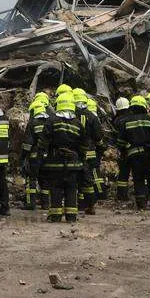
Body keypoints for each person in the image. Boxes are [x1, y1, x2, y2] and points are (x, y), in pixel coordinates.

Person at [39, 89, 85, 222]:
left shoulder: (52, 121)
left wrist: (42, 155)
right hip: (73, 163)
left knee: (56, 188)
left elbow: (43, 141)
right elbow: (84, 144)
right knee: (71, 188)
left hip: (54, 163)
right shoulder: (78, 123)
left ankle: (56, 216)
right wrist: (79, 156)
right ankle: (71, 216)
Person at [117, 95, 150, 210]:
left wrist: (124, 149)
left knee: (138, 178)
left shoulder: (126, 121)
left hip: (134, 155)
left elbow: (120, 141)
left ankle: (142, 204)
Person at [21, 93, 52, 209]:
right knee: (45, 180)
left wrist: (23, 157)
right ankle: (46, 203)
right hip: (47, 156)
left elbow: (27, 143)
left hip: (34, 157)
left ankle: (30, 203)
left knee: (31, 179)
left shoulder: (33, 122)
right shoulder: (49, 122)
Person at [73, 88, 101, 213]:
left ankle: (78, 204)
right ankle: (90, 205)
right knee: (87, 178)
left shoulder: (71, 115)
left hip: (75, 152)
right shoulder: (92, 116)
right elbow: (98, 136)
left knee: (74, 178)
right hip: (90, 152)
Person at [111, 97, 133, 202]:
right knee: (138, 174)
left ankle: (122, 195)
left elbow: (116, 137)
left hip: (123, 150)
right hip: (134, 148)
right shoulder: (132, 117)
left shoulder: (116, 120)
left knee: (123, 173)